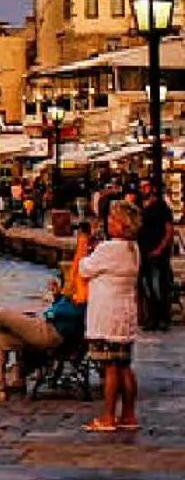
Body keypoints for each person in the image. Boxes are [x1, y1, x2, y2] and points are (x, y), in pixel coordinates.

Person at [0, 238, 87, 398]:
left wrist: (50, 313)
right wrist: (58, 297)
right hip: (52, 331)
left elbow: (68, 313)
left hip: (51, 333)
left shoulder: (83, 294)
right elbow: (66, 310)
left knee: (0, 315)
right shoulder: (75, 294)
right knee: (0, 339)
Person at [80, 198, 143, 432]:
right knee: (124, 366)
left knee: (110, 368)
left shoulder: (109, 249)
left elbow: (84, 268)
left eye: (112, 219)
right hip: (125, 313)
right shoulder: (133, 249)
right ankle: (128, 415)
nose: (108, 222)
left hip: (107, 314)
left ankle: (108, 417)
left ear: (120, 224)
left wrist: (88, 247)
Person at [136, 177, 174, 331]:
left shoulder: (162, 207)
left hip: (158, 254)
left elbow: (169, 230)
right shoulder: (141, 207)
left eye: (146, 186)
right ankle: (152, 318)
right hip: (144, 253)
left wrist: (160, 248)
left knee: (159, 286)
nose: (143, 189)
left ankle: (162, 318)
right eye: (142, 187)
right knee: (148, 287)